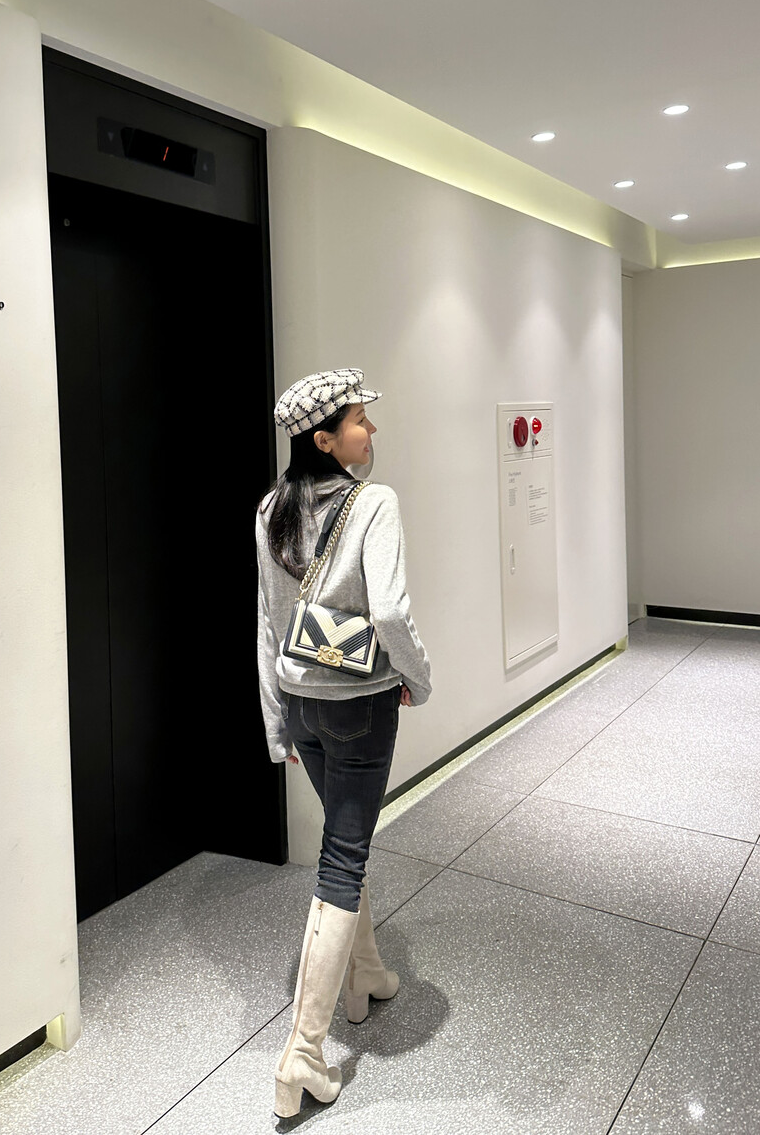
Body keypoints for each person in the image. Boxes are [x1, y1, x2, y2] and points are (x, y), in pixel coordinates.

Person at [255, 367, 432, 1118]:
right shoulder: (374, 501)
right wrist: (418, 676)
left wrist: (277, 721)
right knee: (344, 857)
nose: (371, 430)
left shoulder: (271, 507)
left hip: (301, 702)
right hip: (359, 704)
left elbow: (268, 621)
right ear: (324, 439)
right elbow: (389, 612)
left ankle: (366, 975)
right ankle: (302, 1053)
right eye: (360, 420)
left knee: (341, 836)